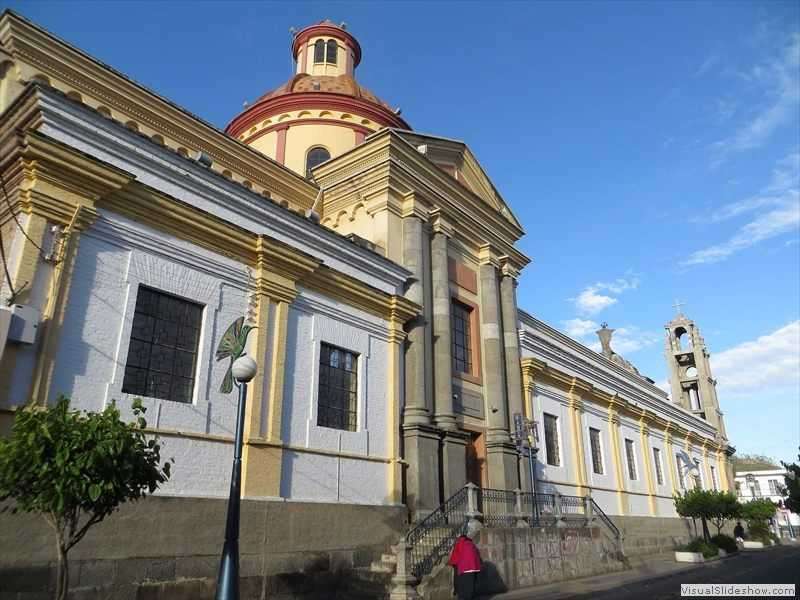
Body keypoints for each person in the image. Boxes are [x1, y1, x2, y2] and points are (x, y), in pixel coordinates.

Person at [448, 520, 482, 600]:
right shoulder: (465, 543)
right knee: (467, 591)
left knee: (463, 589)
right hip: (466, 568)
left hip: (463, 567)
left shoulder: (464, 542)